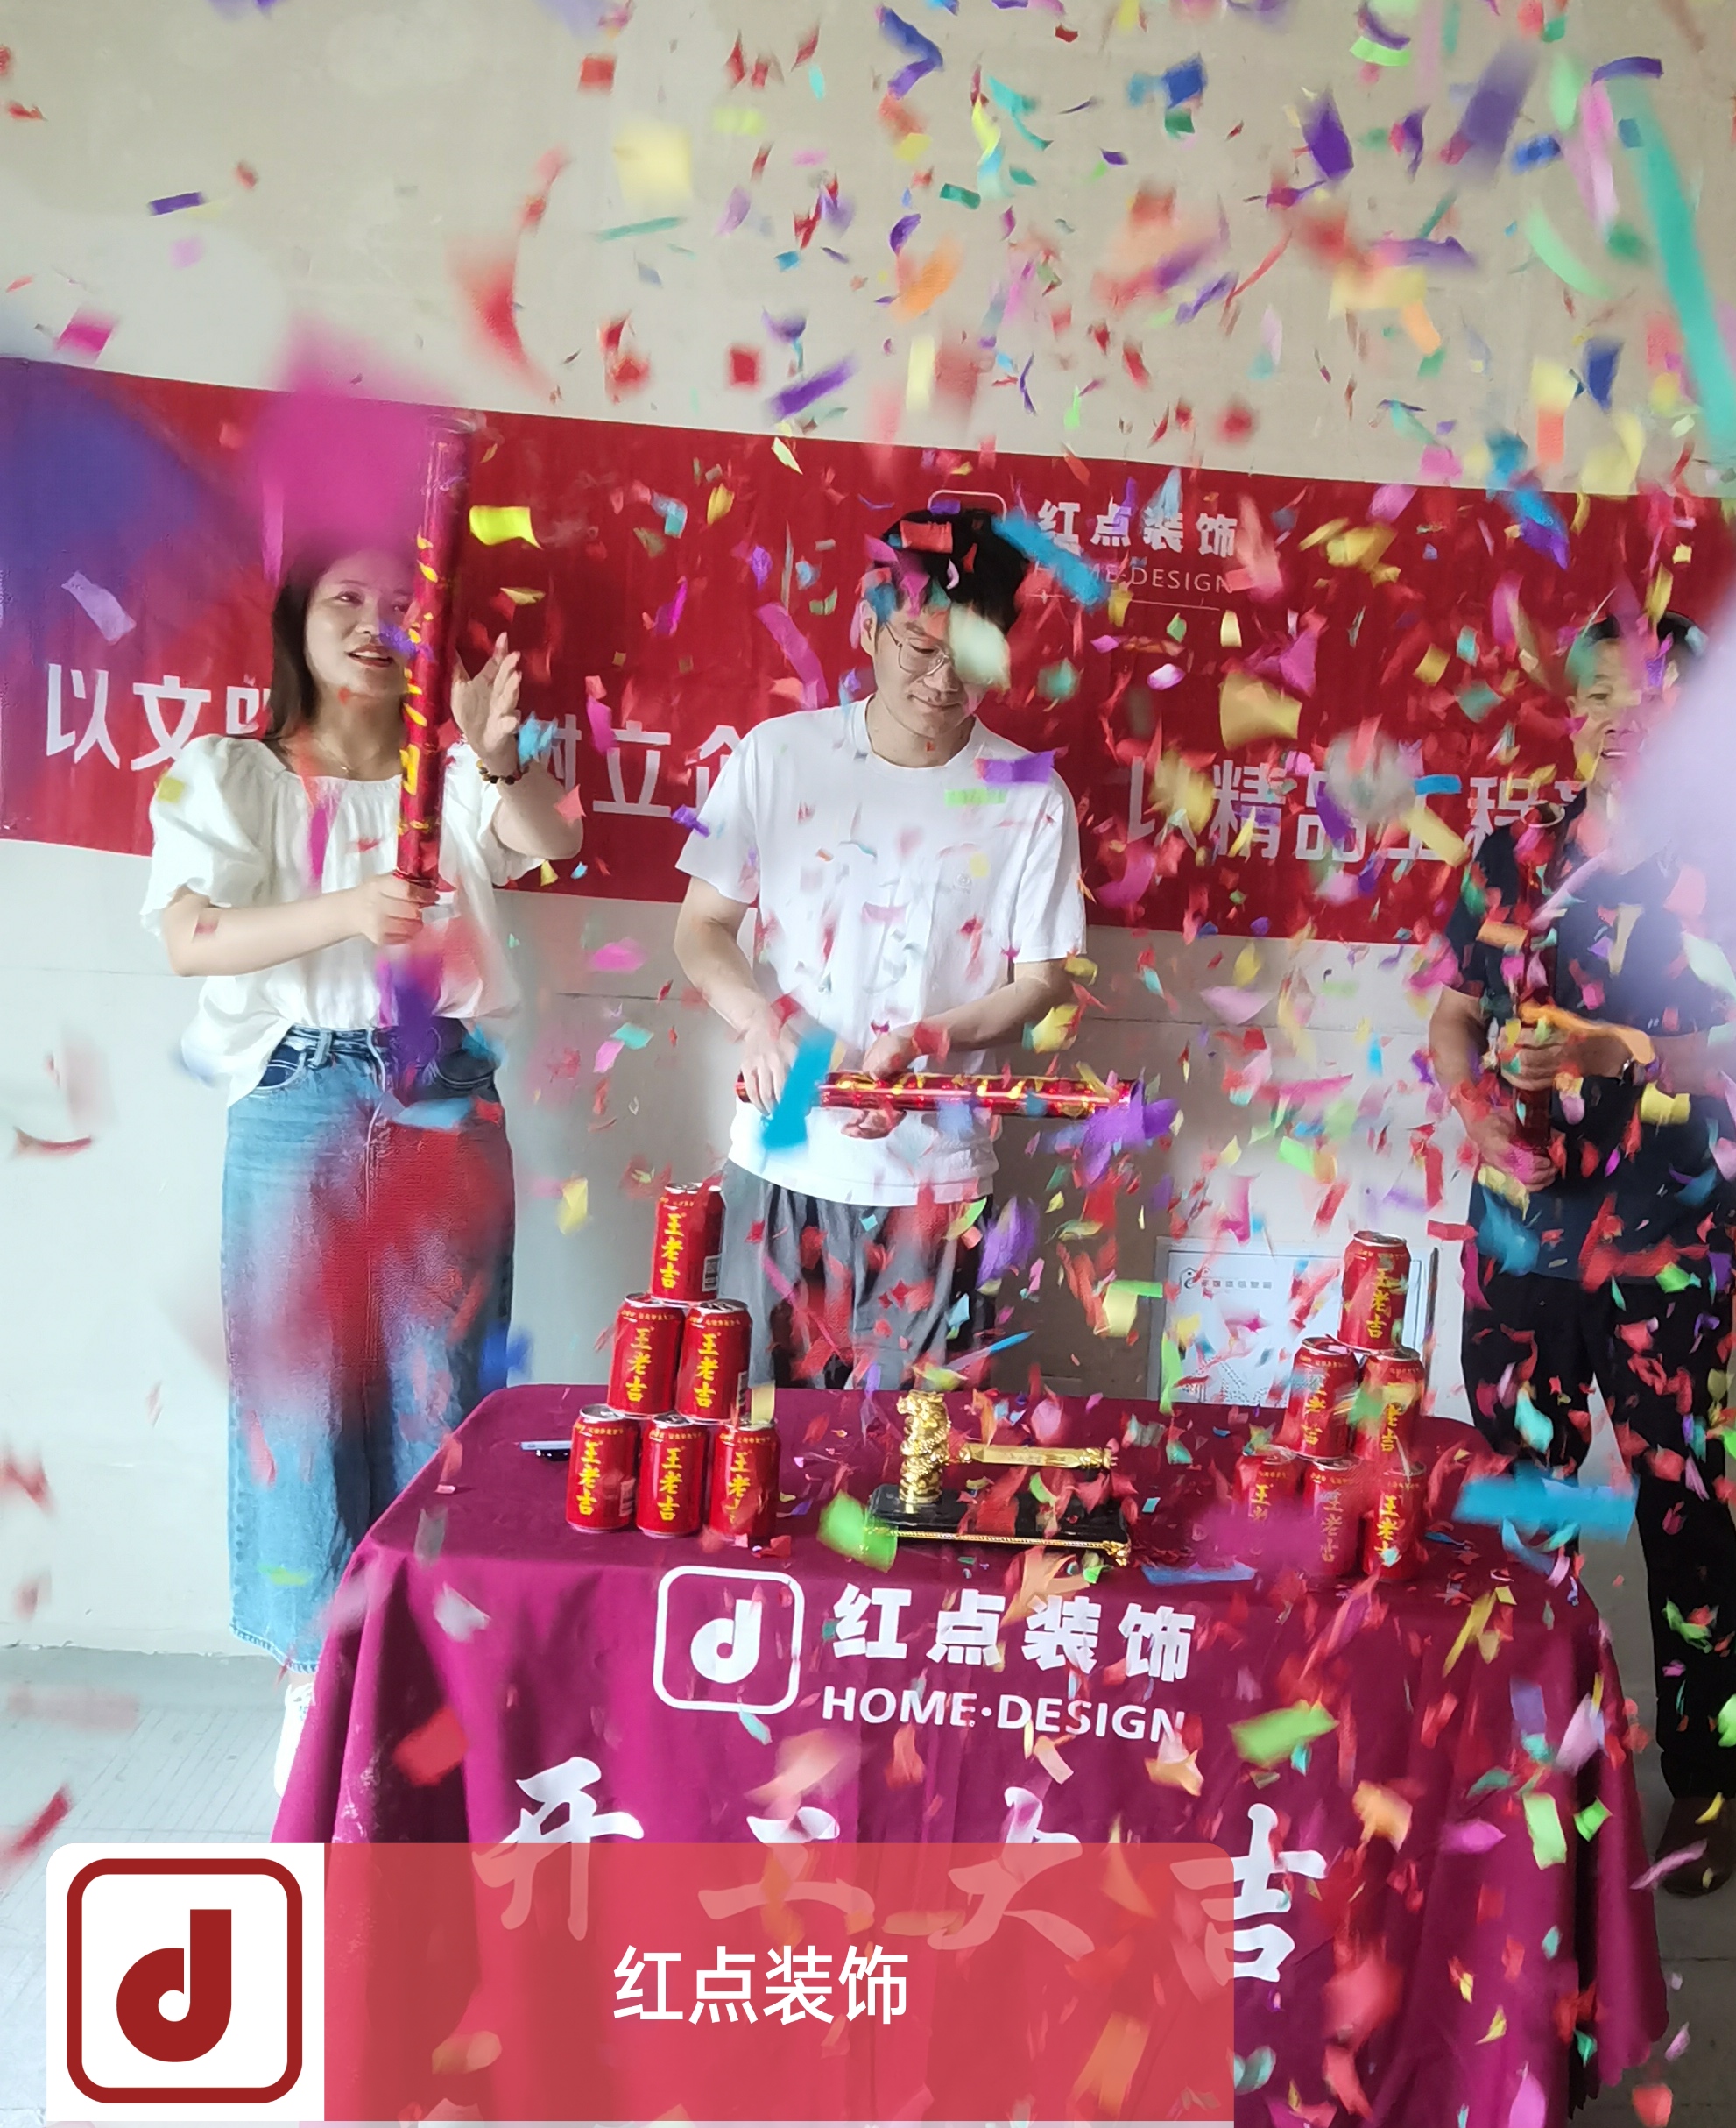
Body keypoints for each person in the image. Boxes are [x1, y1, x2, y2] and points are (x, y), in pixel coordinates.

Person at [145, 541, 577, 1786]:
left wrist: (497, 756)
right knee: (300, 1398)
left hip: (441, 1088)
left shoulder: (454, 769)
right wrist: (350, 910)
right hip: (294, 1094)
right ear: (296, 616)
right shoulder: (229, 770)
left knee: (442, 1397)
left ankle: (420, 1680)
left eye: (402, 605)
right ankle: (313, 1681)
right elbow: (189, 938)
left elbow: (550, 837)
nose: (376, 623)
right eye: (347, 599)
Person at [1428, 607, 1736, 1893]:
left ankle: (1708, 1783)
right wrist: (1474, 1107)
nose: (1622, 716)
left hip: (1667, 1230)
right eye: (1601, 693)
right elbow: (1458, 1013)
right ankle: (1535, 1762)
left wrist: (1610, 1049)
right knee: (1526, 1489)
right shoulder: (1512, 855)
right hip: (1523, 1227)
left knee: (1679, 1498)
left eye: (1651, 693)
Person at [673, 503, 1083, 1391]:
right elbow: (699, 927)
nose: (943, 681)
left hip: (936, 1176)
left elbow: (1040, 983)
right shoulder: (778, 757)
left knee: (916, 1455)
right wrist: (760, 1022)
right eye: (921, 648)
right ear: (868, 625)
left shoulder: (1031, 797)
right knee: (757, 1431)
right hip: (782, 1148)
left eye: (970, 659)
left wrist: (928, 1039)